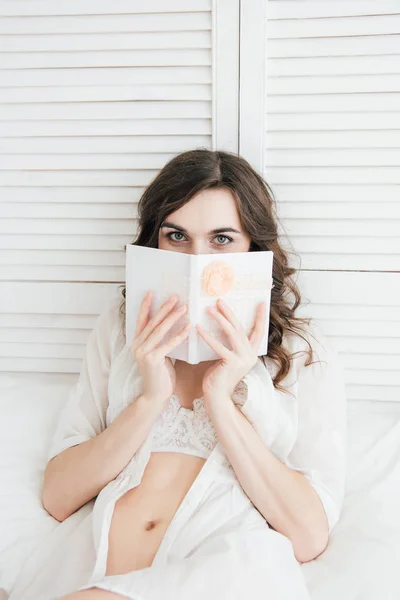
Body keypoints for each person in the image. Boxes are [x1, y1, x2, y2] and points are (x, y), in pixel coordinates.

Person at [8, 149, 347, 600]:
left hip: (223, 568)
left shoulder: (301, 353)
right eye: (177, 236)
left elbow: (308, 535)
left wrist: (221, 398)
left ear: (253, 246)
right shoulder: (121, 328)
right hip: (98, 570)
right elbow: (58, 495)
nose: (198, 259)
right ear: (156, 242)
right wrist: (150, 398)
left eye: (222, 239)